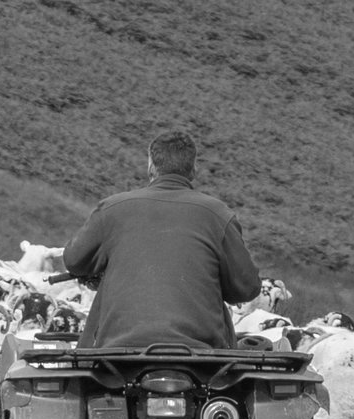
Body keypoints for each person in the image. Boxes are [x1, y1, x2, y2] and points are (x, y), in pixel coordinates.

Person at [59, 129, 261, 352]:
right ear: (193, 170)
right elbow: (247, 288)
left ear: (151, 167)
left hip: (118, 352)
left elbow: (73, 260)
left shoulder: (112, 208)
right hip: (202, 354)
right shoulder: (219, 215)